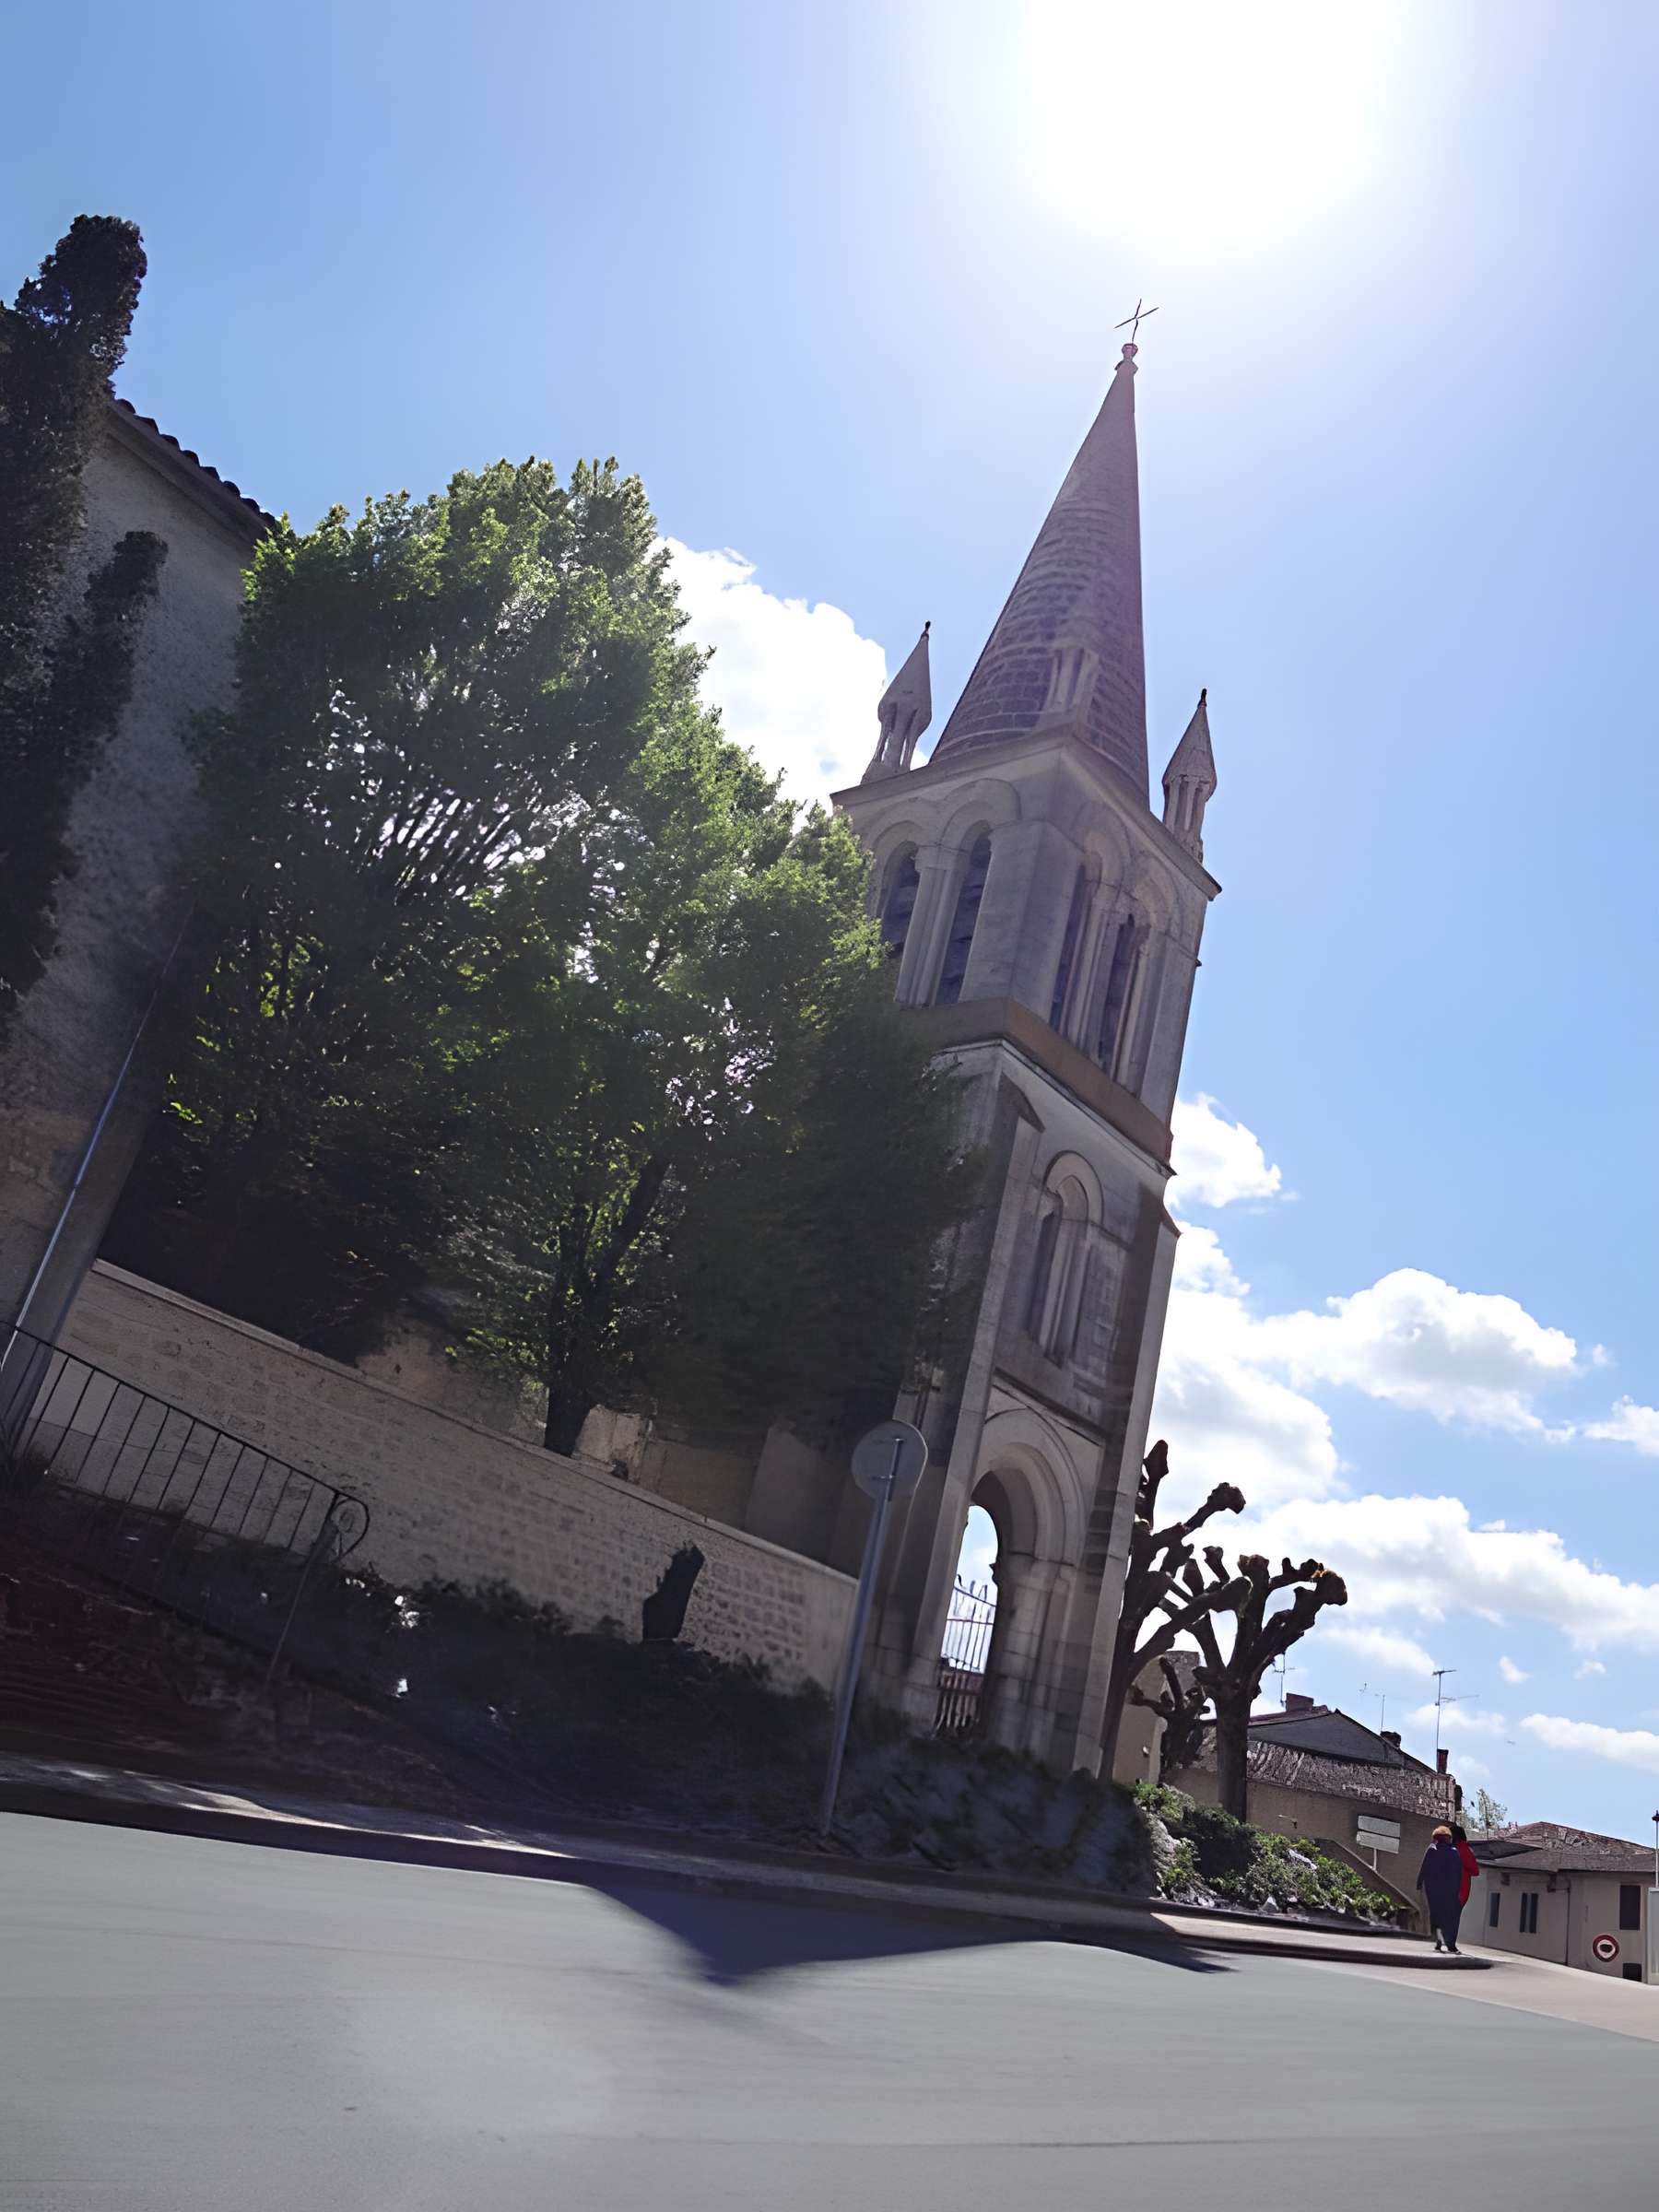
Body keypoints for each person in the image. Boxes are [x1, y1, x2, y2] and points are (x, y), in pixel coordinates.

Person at [1417, 1825, 1465, 1953]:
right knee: (1448, 1917)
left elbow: (1424, 1867)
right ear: (1448, 1839)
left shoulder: (1432, 1849)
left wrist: (1419, 1883)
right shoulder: (1454, 1852)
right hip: (1449, 1891)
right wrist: (1457, 1890)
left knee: (1435, 1915)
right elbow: (1458, 1874)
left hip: (1433, 1889)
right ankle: (1449, 1944)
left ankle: (1438, 1940)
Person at [1450, 1821, 1480, 1914]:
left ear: (1457, 1837)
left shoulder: (1463, 1850)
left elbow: (1475, 1871)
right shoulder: (1454, 1849)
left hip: (1457, 1896)